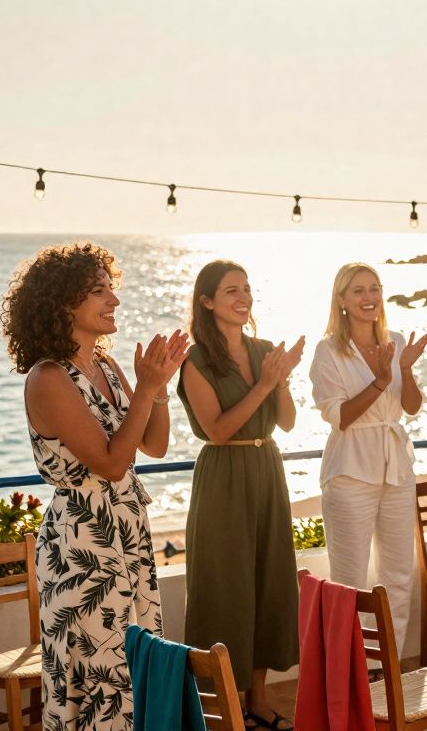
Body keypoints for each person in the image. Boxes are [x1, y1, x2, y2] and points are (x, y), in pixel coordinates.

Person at [1, 243, 188, 730]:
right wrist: (145, 389)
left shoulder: (104, 366)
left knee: (135, 666)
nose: (114, 300)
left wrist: (159, 387)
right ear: (64, 302)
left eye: (112, 288)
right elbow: (108, 463)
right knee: (97, 681)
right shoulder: (47, 378)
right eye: (98, 291)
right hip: (83, 546)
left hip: (127, 534)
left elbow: (154, 445)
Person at [178, 260, 304, 731]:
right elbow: (216, 429)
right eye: (232, 290)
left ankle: (258, 698)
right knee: (226, 588)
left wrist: (283, 380)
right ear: (207, 301)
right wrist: (266, 384)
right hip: (223, 473)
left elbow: (287, 422)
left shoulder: (265, 350)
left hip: (266, 467)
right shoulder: (196, 362)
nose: (243, 297)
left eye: (247, 289)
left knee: (269, 584)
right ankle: (223, 703)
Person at [309, 262, 427, 657]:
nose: (369, 297)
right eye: (358, 290)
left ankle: (385, 663)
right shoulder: (327, 351)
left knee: (398, 573)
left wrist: (404, 370)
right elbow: (341, 417)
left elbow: (410, 407)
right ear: (341, 299)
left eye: (374, 289)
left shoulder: (394, 340)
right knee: (349, 578)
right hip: (349, 473)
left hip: (396, 467)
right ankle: (347, 665)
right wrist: (379, 380)